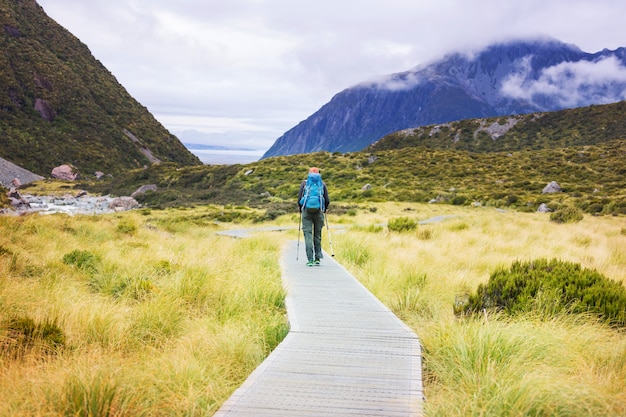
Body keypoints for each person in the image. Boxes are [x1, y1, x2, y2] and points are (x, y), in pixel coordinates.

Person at [298, 167, 330, 266]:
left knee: (308, 235)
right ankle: (317, 258)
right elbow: (327, 199)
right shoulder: (322, 184)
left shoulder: (304, 184)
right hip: (319, 211)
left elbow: (299, 199)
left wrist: (301, 209)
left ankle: (310, 259)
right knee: (317, 235)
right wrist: (325, 209)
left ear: (309, 173)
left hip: (306, 211)